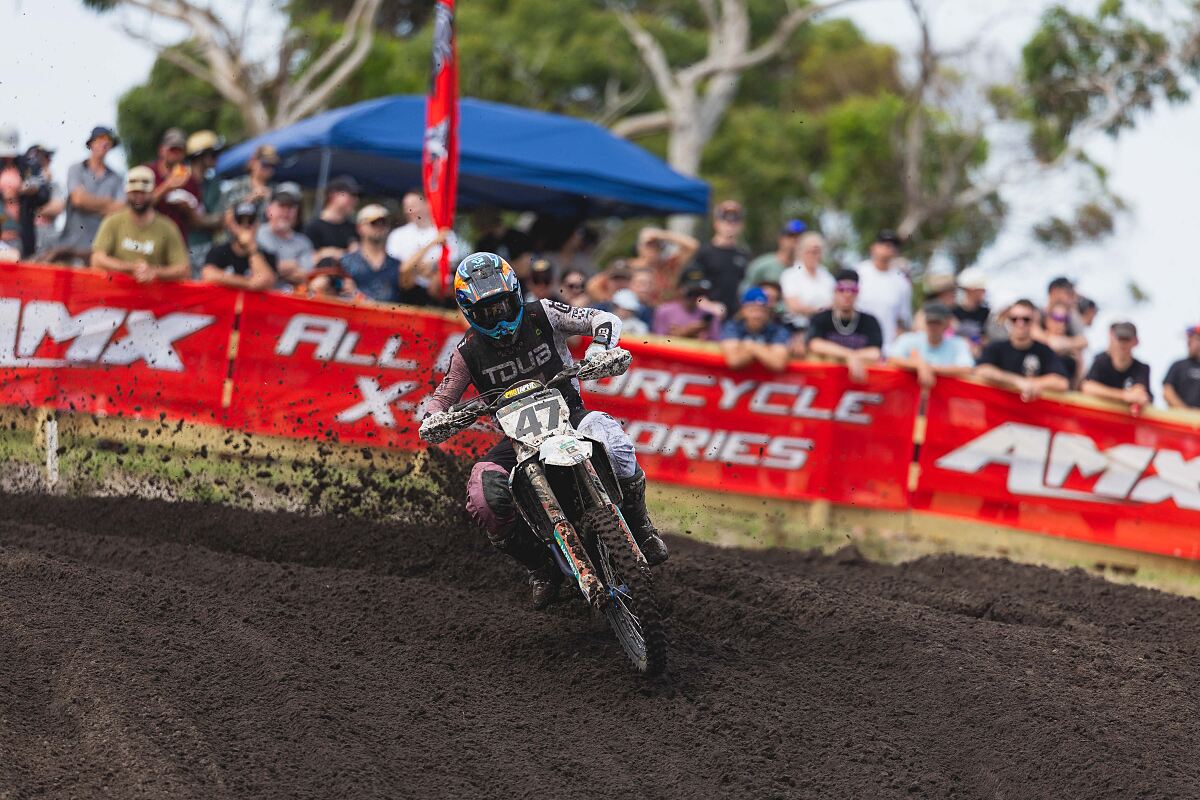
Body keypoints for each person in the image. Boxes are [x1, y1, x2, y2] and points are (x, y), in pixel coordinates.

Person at [418, 252, 669, 608]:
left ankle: (641, 526)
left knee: (615, 443)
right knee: (483, 497)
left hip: (570, 416)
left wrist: (598, 350)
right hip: (517, 440)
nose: (499, 317)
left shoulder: (544, 313)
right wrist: (434, 417)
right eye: (487, 311)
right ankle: (540, 567)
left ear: (515, 294)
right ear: (469, 312)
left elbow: (603, 318)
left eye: (503, 305)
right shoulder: (468, 351)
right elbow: (444, 394)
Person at [90, 166, 189, 283]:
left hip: (153, 298)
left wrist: (154, 272)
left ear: (152, 192)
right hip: (116, 296)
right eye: (134, 192)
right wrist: (131, 268)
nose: (138, 197)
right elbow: (96, 260)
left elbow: (184, 270)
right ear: (127, 192)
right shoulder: (112, 221)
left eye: (143, 192)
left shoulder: (167, 227)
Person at [46, 126, 125, 264]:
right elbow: (77, 199)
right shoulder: (76, 169)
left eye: (108, 140)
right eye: (100, 139)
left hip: (101, 247)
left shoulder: (117, 177)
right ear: (91, 144)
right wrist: (107, 203)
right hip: (72, 246)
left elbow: (119, 208)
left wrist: (87, 202)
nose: (104, 143)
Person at [975, 299, 1070, 401]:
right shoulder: (996, 347)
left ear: (1033, 321)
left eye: (1026, 319)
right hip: (998, 413)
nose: (1020, 324)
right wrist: (1018, 381)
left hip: (1030, 415)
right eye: (1015, 319)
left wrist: (1032, 384)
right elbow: (981, 370)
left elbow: (1062, 383)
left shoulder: (1044, 351)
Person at [341, 204, 430, 305]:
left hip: (389, 318)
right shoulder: (346, 262)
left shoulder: (396, 265)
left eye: (384, 222)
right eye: (373, 223)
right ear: (360, 227)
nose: (379, 226)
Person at [806, 269, 884, 382]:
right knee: (820, 358)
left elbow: (875, 353)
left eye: (852, 290)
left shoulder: (870, 321)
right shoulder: (821, 317)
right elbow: (814, 344)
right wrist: (850, 356)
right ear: (834, 292)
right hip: (825, 382)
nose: (847, 294)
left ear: (858, 293)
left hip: (858, 382)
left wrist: (853, 357)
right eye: (842, 289)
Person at [682, 200, 751, 313]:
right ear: (716, 223)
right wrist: (708, 306)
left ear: (741, 226)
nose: (730, 225)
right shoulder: (704, 252)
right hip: (706, 317)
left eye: (735, 221)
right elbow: (690, 291)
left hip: (735, 317)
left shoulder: (743, 254)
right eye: (725, 220)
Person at [386, 192, 460, 292]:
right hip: (407, 292)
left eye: (413, 206)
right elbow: (398, 269)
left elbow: (454, 262)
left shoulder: (445, 233)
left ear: (427, 204)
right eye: (406, 207)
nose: (409, 211)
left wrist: (432, 266)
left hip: (439, 293)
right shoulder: (397, 235)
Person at [888, 302, 974, 388]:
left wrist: (929, 369)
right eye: (930, 322)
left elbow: (967, 369)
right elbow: (892, 359)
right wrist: (919, 365)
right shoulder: (908, 338)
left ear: (947, 323)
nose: (933, 326)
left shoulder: (958, 343)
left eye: (937, 322)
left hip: (943, 398)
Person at [199, 201, 277, 291]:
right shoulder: (218, 251)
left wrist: (252, 248)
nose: (245, 225)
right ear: (232, 225)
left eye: (250, 221)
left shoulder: (268, 255)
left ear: (257, 224)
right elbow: (208, 275)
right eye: (240, 221)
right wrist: (249, 283)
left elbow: (266, 281)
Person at [855, 229, 912, 348]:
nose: (888, 247)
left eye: (893, 245)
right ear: (873, 247)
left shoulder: (901, 281)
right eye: (883, 243)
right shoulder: (858, 272)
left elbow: (903, 319)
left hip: (887, 347)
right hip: (857, 344)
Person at [145, 127, 202, 240]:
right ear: (161, 150)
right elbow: (138, 204)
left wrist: (188, 210)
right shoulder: (147, 172)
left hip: (178, 241)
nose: (175, 154)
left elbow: (197, 221)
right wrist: (167, 186)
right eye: (172, 149)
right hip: (150, 239)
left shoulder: (189, 179)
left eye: (179, 150)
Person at [1081, 322, 1152, 409]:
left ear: (1135, 341)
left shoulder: (1142, 368)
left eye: (1127, 339)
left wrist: (1104, 393)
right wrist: (1124, 395)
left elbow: (1140, 395)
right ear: (1113, 339)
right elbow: (1088, 387)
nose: (1123, 343)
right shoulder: (1101, 361)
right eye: (1120, 338)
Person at [256, 183, 315, 288]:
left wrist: (274, 269)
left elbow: (306, 276)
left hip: (290, 299)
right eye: (282, 205)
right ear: (269, 209)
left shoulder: (303, 242)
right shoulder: (255, 234)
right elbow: (255, 271)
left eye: (291, 207)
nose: (286, 212)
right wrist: (293, 265)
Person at [720, 287, 791, 372]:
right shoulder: (733, 327)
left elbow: (778, 364)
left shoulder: (778, 330)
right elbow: (734, 361)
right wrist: (766, 351)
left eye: (761, 310)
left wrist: (752, 347)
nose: (757, 315)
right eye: (752, 310)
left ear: (767, 312)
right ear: (743, 310)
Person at [185, 130, 226, 271]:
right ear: (199, 156)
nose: (217, 158)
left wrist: (196, 219)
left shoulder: (212, 184)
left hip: (207, 249)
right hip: (183, 250)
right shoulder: (180, 182)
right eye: (213, 154)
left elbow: (220, 219)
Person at [628, 225, 699, 303]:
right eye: (649, 245)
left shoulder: (668, 265)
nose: (653, 249)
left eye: (657, 245)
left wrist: (662, 235)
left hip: (665, 311)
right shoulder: (630, 266)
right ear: (639, 247)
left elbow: (693, 246)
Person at [779, 232, 833, 330]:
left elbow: (835, 303)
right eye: (809, 251)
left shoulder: (827, 275)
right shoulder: (790, 275)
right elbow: (794, 307)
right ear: (800, 252)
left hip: (825, 327)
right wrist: (824, 311)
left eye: (817, 251)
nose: (813, 255)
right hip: (797, 327)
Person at [305, 175, 360, 262]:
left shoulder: (352, 228)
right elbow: (306, 261)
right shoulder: (313, 227)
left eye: (356, 196)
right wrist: (325, 253)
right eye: (351, 195)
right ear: (334, 195)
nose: (355, 200)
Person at [742, 219, 806, 294]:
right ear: (780, 239)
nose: (795, 241)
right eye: (791, 236)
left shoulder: (806, 268)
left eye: (800, 237)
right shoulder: (762, 265)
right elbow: (744, 292)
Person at [652, 278, 726, 341]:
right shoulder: (664, 311)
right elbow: (658, 342)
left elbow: (716, 344)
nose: (694, 297)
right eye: (690, 293)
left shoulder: (709, 315)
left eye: (698, 293)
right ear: (680, 290)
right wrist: (684, 333)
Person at [218, 143, 279, 219]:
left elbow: (275, 218)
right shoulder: (236, 186)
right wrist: (249, 200)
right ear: (253, 162)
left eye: (272, 165)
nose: (269, 169)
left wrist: (271, 201)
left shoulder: (276, 189)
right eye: (265, 164)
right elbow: (224, 216)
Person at [1043, 302, 1084, 387]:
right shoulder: (1039, 340)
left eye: (1065, 320)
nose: (1061, 323)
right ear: (1047, 320)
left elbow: (1078, 381)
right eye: (1057, 318)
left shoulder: (1073, 347)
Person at [952, 266, 991, 354]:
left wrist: (977, 341)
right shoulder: (953, 312)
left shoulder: (986, 313)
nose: (984, 292)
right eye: (981, 290)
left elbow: (989, 339)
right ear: (971, 290)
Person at [1164, 325, 1200, 410]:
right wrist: (1185, 412)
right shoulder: (1178, 365)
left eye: (1194, 339)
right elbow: (1167, 392)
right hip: (1179, 419)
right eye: (1188, 338)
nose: (1189, 342)